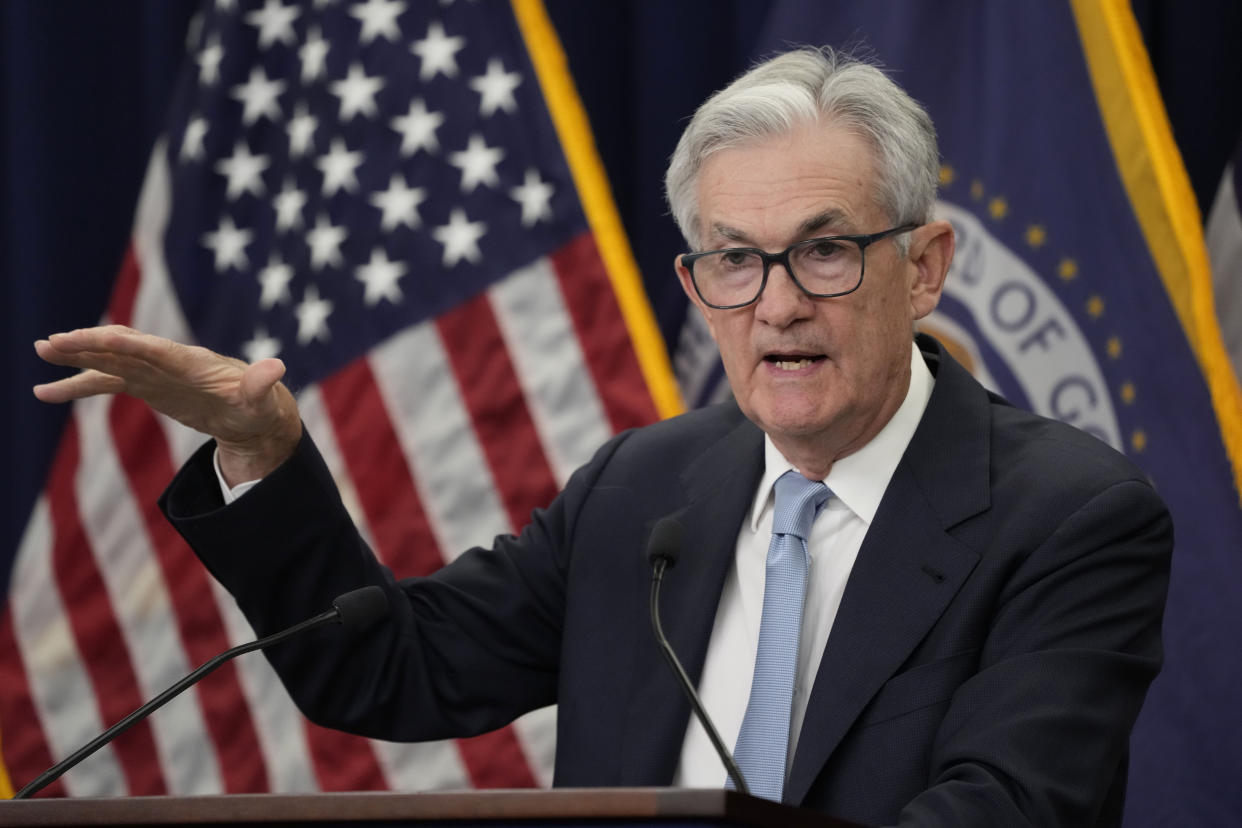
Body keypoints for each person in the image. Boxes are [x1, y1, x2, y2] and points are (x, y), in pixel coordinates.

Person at [34, 47, 1171, 827]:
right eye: (734, 258)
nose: (776, 304)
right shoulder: (649, 488)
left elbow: (1006, 811)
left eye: (824, 251)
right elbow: (390, 669)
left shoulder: (1068, 519)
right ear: (697, 278)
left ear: (922, 269)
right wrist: (264, 454)